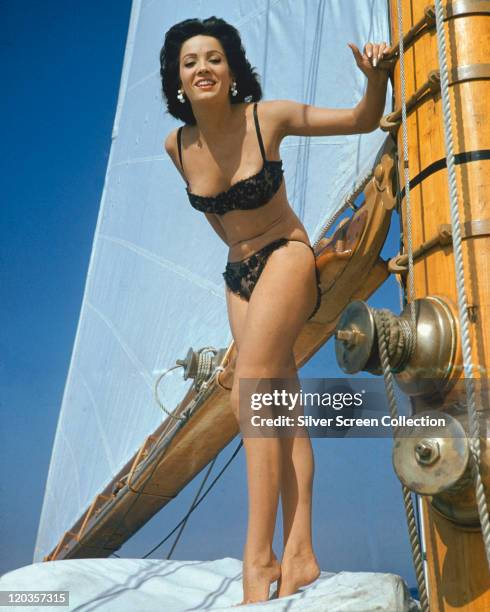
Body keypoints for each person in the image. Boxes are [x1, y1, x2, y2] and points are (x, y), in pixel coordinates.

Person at [160, 17, 389, 605]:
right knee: (277, 403)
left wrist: (375, 81)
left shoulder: (269, 117)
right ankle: (302, 553)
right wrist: (242, 267)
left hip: (287, 254)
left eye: (214, 58)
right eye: (190, 62)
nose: (202, 68)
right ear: (178, 81)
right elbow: (219, 221)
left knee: (249, 391)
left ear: (232, 69)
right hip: (239, 277)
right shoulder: (177, 147)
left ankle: (257, 557)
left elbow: (361, 121)